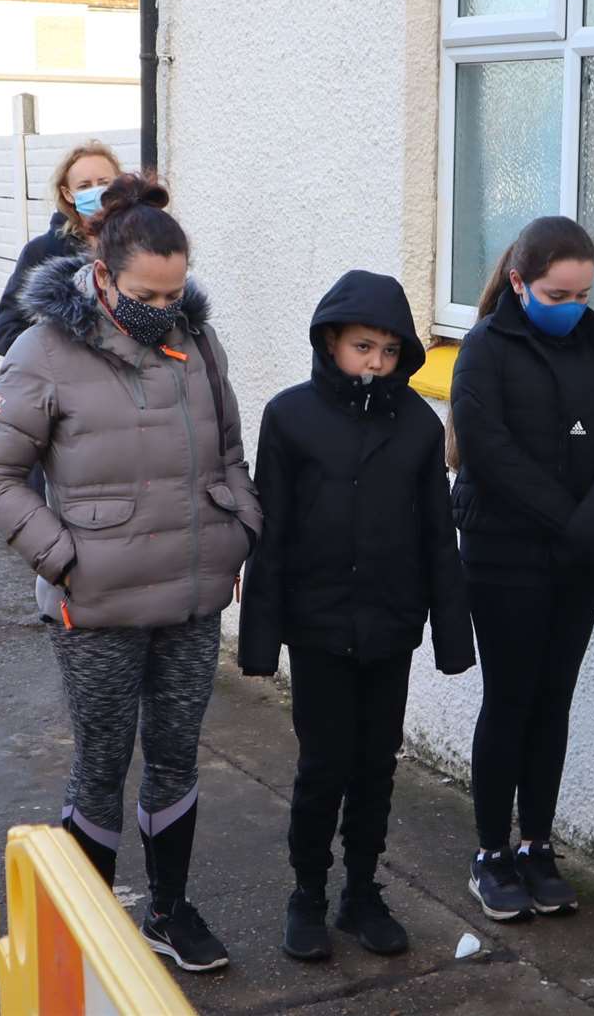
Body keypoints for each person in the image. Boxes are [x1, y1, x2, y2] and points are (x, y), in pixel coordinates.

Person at [0, 172, 260, 973]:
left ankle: (169, 912)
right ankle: (85, 932)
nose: (164, 307)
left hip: (193, 598)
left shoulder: (196, 341)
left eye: (176, 292)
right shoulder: (44, 349)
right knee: (100, 761)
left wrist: (237, 532)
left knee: (176, 755)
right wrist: (64, 560)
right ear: (101, 272)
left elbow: (230, 452)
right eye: (147, 293)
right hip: (93, 604)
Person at [238, 270, 475, 961]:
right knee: (323, 765)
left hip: (390, 624)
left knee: (376, 764)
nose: (375, 362)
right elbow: (271, 533)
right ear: (331, 343)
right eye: (362, 346)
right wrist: (261, 640)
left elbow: (437, 532)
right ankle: (307, 893)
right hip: (318, 627)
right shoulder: (290, 417)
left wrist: (451, 637)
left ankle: (362, 892)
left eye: (390, 351)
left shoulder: (418, 428)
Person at [448, 216, 594, 921]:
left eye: (584, 295)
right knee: (511, 700)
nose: (574, 308)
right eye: (559, 294)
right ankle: (491, 855)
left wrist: (591, 528)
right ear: (521, 283)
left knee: (552, 701)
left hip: (577, 563)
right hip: (505, 558)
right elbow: (489, 451)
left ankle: (537, 844)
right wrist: (574, 521)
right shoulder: (485, 350)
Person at [0, 140, 122, 357]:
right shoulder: (42, 252)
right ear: (68, 193)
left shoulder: (140, 247)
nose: (96, 192)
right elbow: (6, 333)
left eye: (104, 182)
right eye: (84, 186)